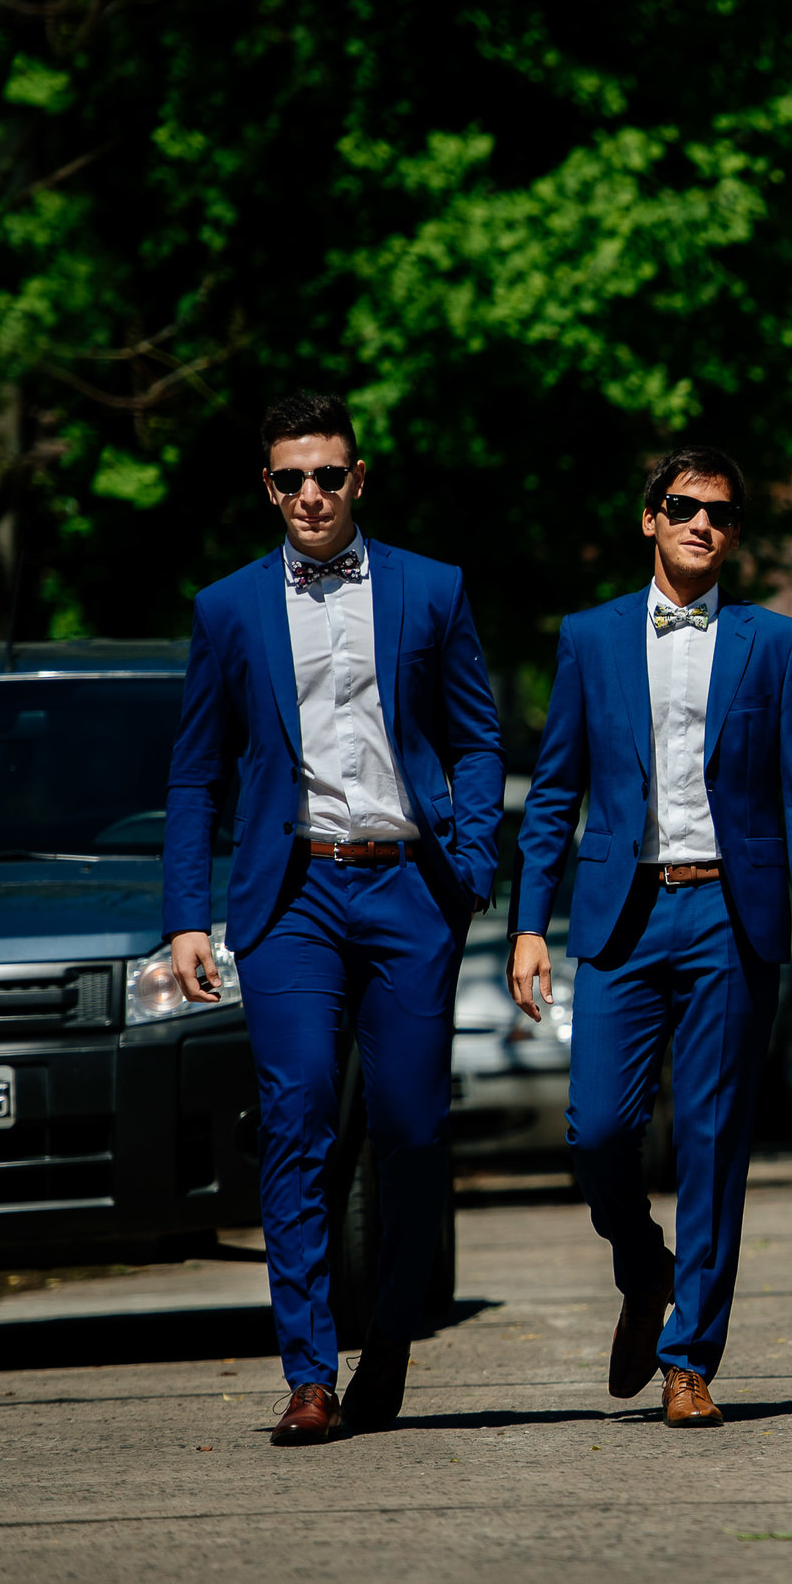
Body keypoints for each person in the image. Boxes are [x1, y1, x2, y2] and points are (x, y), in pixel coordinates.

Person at [162, 391, 502, 1446]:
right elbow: (194, 776)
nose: (311, 494)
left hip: (408, 887)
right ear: (267, 487)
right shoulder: (227, 609)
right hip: (292, 895)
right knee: (298, 1114)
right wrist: (185, 916)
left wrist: (474, 859)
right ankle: (309, 1373)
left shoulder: (430, 589)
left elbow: (480, 734)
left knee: (410, 1127)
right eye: (289, 478)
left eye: (328, 474)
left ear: (360, 479)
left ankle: (390, 1336)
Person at [509, 446, 792, 1428]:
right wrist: (530, 923)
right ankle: (643, 1267)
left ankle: (689, 1355)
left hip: (729, 918)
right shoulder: (589, 637)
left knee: (710, 1140)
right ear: (648, 518)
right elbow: (556, 794)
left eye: (722, 513)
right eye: (684, 506)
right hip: (622, 913)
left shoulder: (773, 642)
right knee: (597, 1129)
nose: (704, 523)